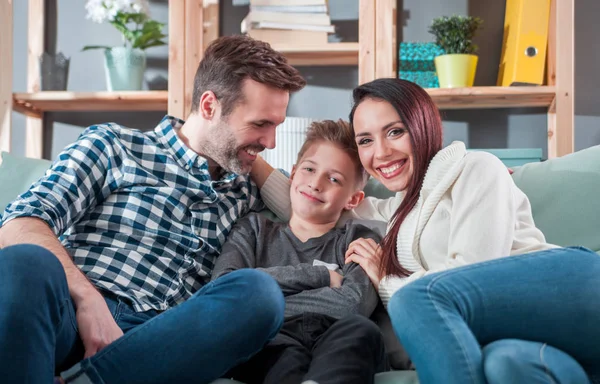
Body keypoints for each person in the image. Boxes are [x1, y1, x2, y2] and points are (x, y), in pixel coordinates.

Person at [0, 35, 306, 384]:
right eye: (260, 124)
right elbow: (18, 223)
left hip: (161, 341)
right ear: (209, 106)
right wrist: (88, 300)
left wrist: (251, 155)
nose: (272, 142)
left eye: (277, 125)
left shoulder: (245, 186)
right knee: (24, 263)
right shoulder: (115, 145)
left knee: (260, 295)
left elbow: (311, 204)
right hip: (73, 315)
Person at [254, 78, 600, 384]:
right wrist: (246, 150)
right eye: (365, 141)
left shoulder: (476, 169)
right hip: (517, 337)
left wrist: (385, 278)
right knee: (506, 365)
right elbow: (310, 200)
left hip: (565, 290)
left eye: (395, 131)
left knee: (417, 297)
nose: (382, 152)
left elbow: (466, 283)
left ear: (422, 125)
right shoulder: (391, 213)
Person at [213, 120, 387, 384]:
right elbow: (226, 290)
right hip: (271, 338)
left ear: (353, 199)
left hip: (337, 335)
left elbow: (352, 305)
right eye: (309, 169)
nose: (316, 184)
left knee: (362, 330)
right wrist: (319, 276)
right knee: (275, 352)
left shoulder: (359, 238)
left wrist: (264, 299)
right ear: (293, 173)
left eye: (334, 179)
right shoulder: (254, 229)